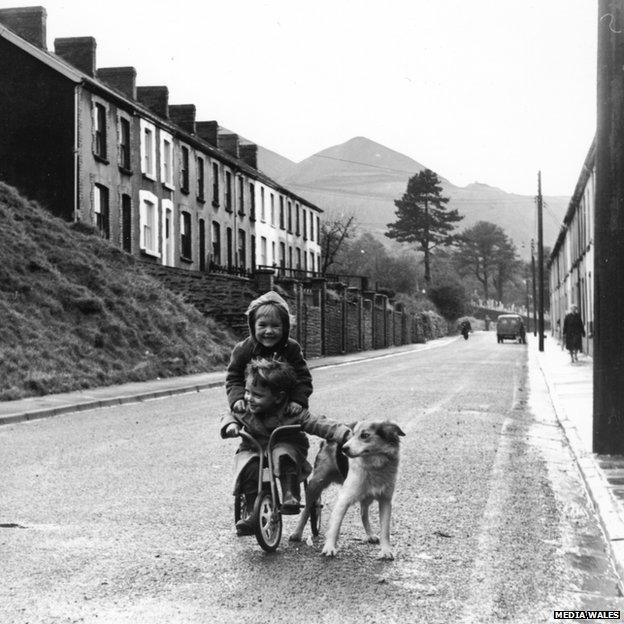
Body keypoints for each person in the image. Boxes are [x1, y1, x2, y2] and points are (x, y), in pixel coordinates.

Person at [221, 359, 352, 536]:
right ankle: (253, 511)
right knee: (249, 469)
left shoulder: (291, 411)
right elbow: (230, 416)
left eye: (257, 395)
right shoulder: (245, 408)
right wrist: (231, 426)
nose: (249, 398)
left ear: (279, 397)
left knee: (283, 454)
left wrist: (344, 433)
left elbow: (318, 423)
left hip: (287, 446)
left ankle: (290, 494)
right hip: (254, 448)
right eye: (247, 392)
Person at [226, 290, 312, 417]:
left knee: (291, 435)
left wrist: (297, 400)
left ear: (285, 328)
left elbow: (303, 378)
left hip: (285, 411)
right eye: (262, 325)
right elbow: (234, 378)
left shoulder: (291, 348)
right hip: (253, 411)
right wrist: (237, 398)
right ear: (253, 326)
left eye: (275, 326)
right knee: (252, 436)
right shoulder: (243, 349)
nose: (269, 331)